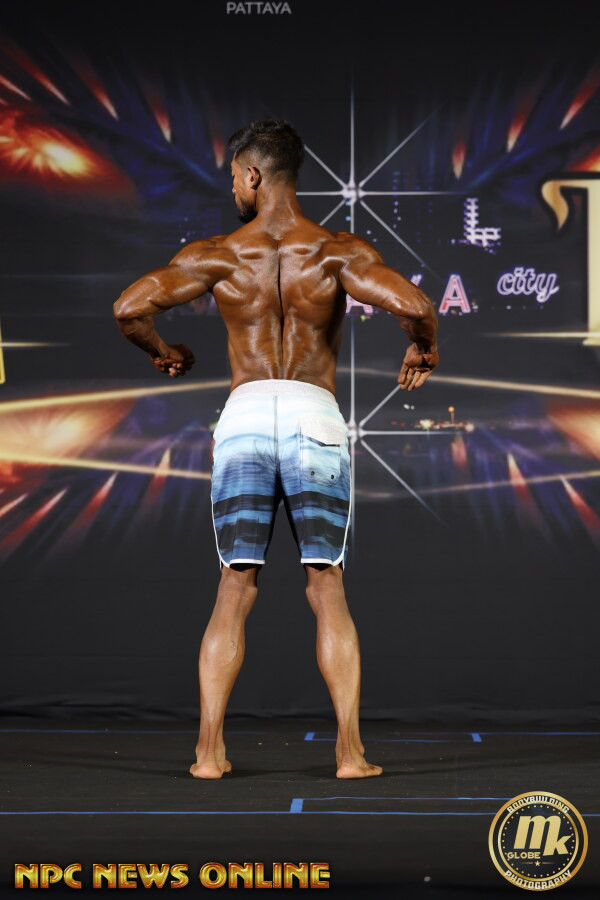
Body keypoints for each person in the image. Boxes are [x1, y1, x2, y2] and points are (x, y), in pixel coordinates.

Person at [113, 119, 439, 780]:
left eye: (234, 177)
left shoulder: (218, 254)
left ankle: (209, 754)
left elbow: (128, 308)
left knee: (235, 586)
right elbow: (415, 304)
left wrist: (164, 351)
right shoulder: (338, 251)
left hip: (245, 418)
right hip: (314, 414)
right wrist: (423, 347)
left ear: (253, 175)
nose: (232, 188)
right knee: (326, 585)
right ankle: (349, 754)